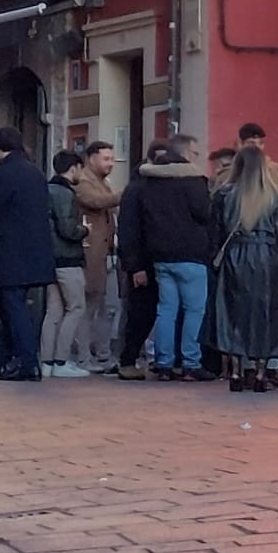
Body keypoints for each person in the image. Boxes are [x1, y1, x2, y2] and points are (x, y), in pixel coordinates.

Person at [120, 133, 212, 381]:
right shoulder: (192, 180)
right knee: (194, 310)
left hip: (160, 256)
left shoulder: (149, 182)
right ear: (184, 153)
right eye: (194, 152)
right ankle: (191, 363)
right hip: (191, 255)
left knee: (166, 310)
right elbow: (205, 214)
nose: (196, 156)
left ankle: (163, 363)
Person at [0, 128, 55, 383]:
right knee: (12, 307)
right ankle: (2, 360)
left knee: (13, 308)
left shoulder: (7, 173)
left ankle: (28, 363)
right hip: (35, 250)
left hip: (12, 250)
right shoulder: (35, 172)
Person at [211, 143, 278, 391]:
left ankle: (235, 371)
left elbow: (216, 232)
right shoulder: (275, 197)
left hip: (235, 254)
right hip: (266, 256)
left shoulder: (225, 195)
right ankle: (260, 374)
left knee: (233, 312)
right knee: (265, 313)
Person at [114, 144, 168, 380]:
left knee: (145, 312)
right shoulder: (138, 189)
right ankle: (128, 359)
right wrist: (135, 265)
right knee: (141, 312)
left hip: (149, 259)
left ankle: (130, 358)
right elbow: (130, 230)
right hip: (143, 262)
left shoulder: (143, 187)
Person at [73, 141, 122, 374]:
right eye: (106, 159)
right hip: (91, 254)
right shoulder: (83, 182)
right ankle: (84, 356)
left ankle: (103, 353)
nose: (110, 163)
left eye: (112, 159)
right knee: (89, 306)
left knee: (108, 306)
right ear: (91, 159)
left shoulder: (104, 183)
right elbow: (95, 201)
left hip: (107, 254)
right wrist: (124, 195)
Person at [42, 150, 90, 376]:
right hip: (67, 258)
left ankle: (46, 362)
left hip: (49, 258)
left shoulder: (46, 190)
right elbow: (67, 228)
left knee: (53, 312)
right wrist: (84, 230)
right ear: (74, 168)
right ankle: (61, 361)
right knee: (76, 307)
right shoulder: (64, 193)